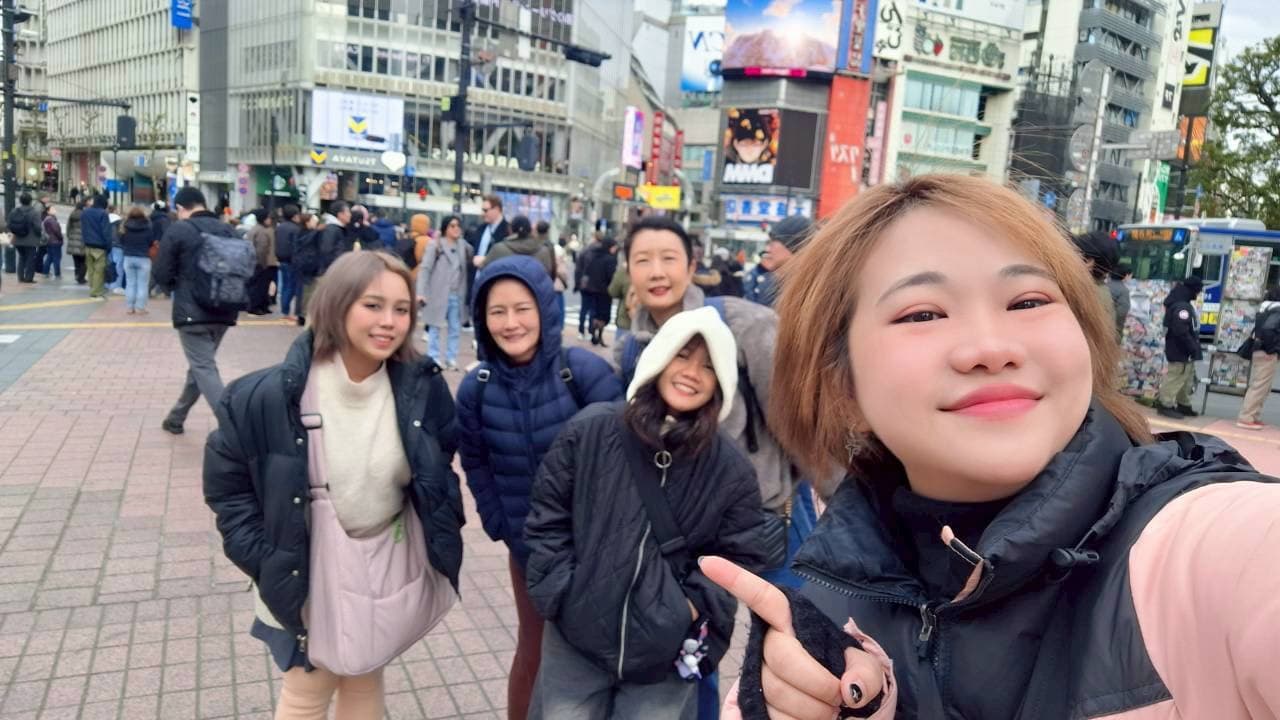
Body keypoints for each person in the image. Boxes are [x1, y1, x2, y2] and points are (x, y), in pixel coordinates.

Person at [703, 174, 1280, 720]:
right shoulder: (827, 612)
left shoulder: (1207, 552)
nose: (990, 347)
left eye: (1028, 301)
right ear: (842, 387)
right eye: (922, 312)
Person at [204, 250, 463, 720]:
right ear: (336, 305)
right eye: (372, 305)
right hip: (303, 567)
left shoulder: (421, 388)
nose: (389, 322)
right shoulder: (269, 396)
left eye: (401, 309)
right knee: (307, 689)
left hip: (380, 562)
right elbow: (227, 486)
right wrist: (264, 557)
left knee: (366, 673)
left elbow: (439, 462)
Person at [524, 306, 769, 720]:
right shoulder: (593, 430)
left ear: (721, 383)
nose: (692, 372)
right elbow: (548, 515)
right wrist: (564, 591)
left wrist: (686, 610)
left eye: (708, 366)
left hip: (663, 655)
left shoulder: (730, 469)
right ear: (660, 356)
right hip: (575, 639)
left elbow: (739, 555)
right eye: (682, 355)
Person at [456, 255, 622, 720]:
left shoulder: (582, 371)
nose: (511, 323)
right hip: (528, 548)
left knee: (599, 650)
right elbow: (475, 460)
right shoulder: (477, 389)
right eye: (497, 312)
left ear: (545, 309)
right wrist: (498, 522)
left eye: (522, 308)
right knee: (534, 646)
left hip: (598, 547)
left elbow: (627, 456)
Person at [153, 187, 243, 435]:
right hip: (225, 309)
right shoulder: (230, 230)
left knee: (203, 367)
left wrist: (174, 288)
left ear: (182, 208)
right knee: (201, 365)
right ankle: (176, 417)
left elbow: (161, 271)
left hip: (192, 311)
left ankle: (234, 424)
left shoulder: (180, 230)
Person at [415, 214, 473, 370]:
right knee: (434, 326)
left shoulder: (464, 246)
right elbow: (425, 269)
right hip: (438, 292)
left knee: (455, 328)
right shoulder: (435, 246)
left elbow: (471, 259)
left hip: (457, 294)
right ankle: (433, 357)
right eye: (452, 226)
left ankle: (451, 358)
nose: (456, 229)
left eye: (458, 226)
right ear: (445, 228)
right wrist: (421, 292)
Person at [295, 201, 352, 324]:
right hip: (328, 271)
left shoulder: (334, 228)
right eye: (347, 212)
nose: (350, 215)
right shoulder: (332, 229)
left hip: (328, 270)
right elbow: (327, 250)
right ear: (340, 214)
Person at [1156, 275, 1204, 419]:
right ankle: (1165, 404)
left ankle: (1183, 404)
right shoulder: (1182, 307)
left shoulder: (1178, 302)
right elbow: (1181, 330)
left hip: (1180, 349)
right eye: (1198, 291)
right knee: (1175, 377)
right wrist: (1192, 347)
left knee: (1186, 378)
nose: (1198, 294)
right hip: (1181, 349)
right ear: (1193, 290)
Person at [744, 215, 812, 307]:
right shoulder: (762, 277)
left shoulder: (807, 290)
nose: (767, 249)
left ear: (793, 247)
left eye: (772, 242)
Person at [1237, 286, 1280, 430]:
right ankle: (1246, 417)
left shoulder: (1266, 308)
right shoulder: (1277, 310)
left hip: (1259, 350)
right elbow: (1269, 330)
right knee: (1260, 385)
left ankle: (1254, 415)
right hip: (1267, 352)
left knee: (1262, 386)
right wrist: (1271, 349)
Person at [467, 194, 511, 301]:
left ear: (496, 209)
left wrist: (486, 261)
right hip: (476, 283)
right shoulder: (480, 229)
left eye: (485, 210)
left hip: (496, 283)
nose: (483, 214)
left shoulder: (508, 231)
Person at [482, 214, 555, 278]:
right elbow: (549, 277)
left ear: (510, 230)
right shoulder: (544, 252)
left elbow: (485, 273)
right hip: (534, 293)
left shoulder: (498, 249)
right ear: (530, 230)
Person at [582, 237, 618, 347]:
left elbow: (588, 271)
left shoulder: (595, 256)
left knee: (595, 313)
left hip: (592, 289)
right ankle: (600, 336)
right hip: (605, 292)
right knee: (604, 315)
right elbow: (611, 276)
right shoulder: (610, 259)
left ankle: (594, 333)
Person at [118, 207, 155, 315]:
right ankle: (140, 308)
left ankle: (130, 307)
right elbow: (151, 242)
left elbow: (121, 241)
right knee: (143, 284)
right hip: (143, 258)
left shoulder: (124, 226)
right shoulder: (148, 226)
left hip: (128, 257)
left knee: (130, 283)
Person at [246, 208, 278, 315]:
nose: (270, 220)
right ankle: (256, 306)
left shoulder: (254, 229)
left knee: (259, 285)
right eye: (268, 218)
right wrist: (263, 263)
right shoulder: (262, 231)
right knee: (260, 286)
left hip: (253, 262)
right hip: (261, 263)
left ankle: (262, 305)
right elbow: (262, 249)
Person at [81, 194, 113, 297]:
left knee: (90, 269)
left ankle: (92, 287)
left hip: (87, 245)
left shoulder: (85, 212)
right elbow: (106, 232)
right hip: (100, 246)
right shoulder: (103, 214)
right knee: (99, 270)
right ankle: (96, 291)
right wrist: (109, 246)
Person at [275, 204, 303, 322]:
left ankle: (284, 310)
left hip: (281, 259)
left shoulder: (280, 227)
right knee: (291, 286)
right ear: (294, 216)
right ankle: (287, 312)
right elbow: (296, 246)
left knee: (285, 285)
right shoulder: (296, 229)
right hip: (292, 261)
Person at [7, 192, 43, 283]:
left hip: (18, 239)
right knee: (30, 259)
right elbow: (38, 227)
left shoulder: (14, 211)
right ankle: (28, 278)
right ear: (30, 201)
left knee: (22, 257)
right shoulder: (34, 212)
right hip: (31, 240)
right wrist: (40, 235)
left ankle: (20, 277)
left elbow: (9, 224)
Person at [66, 200, 87, 284]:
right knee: (84, 261)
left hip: (73, 239)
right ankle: (81, 277)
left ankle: (77, 275)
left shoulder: (72, 214)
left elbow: (68, 228)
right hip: (82, 240)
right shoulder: (85, 215)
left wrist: (70, 237)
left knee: (76, 260)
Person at [40, 204, 64, 279]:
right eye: (52, 209)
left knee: (50, 257)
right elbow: (57, 231)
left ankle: (45, 271)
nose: (54, 210)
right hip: (55, 241)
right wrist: (61, 237)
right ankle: (57, 273)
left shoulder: (47, 219)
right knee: (56, 258)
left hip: (50, 241)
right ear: (48, 211)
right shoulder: (51, 220)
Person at [1108, 263, 1132, 338]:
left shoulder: (1105, 285)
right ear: (1126, 275)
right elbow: (1121, 313)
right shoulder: (1124, 291)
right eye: (1131, 275)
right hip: (1111, 328)